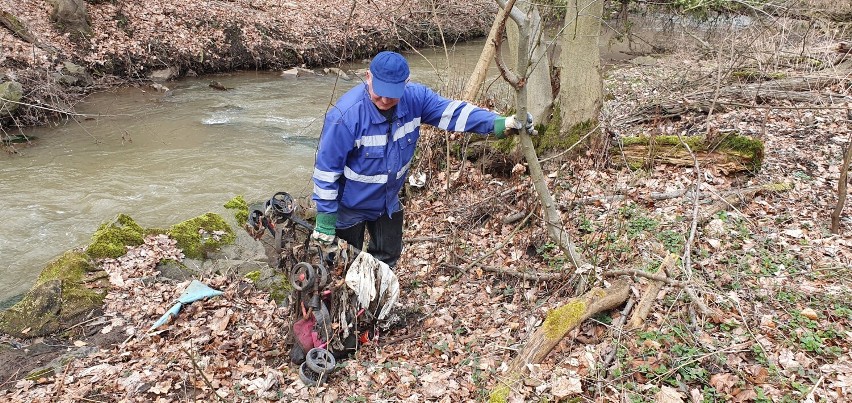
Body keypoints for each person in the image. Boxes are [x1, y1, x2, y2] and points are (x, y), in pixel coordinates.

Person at [310, 50, 533, 267]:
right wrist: (326, 220)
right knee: (342, 265)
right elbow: (326, 171)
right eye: (380, 91)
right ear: (368, 77)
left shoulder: (416, 99)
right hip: (349, 206)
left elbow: (454, 113)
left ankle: (375, 301)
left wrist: (500, 123)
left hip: (387, 202)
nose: (386, 99)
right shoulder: (345, 116)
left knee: (386, 261)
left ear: (406, 83)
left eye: (393, 93)